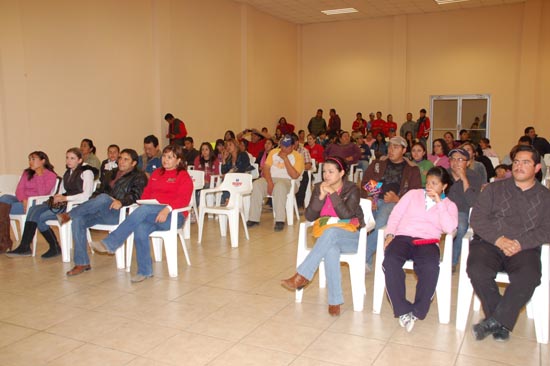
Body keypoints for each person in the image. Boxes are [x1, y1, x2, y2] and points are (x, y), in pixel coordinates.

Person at [467, 145, 550, 342]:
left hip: (523, 247)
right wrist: (499, 239)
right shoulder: (494, 188)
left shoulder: (546, 197)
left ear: (537, 168)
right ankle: (501, 321)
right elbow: (477, 219)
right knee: (477, 269)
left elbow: (547, 229)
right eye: (516, 162)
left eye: (526, 162)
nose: (519, 166)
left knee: (529, 276)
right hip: (489, 243)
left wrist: (521, 243)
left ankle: (495, 321)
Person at [90, 145, 193, 283]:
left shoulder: (183, 176)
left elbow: (183, 199)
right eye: (164, 156)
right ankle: (145, 271)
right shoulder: (156, 174)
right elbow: (146, 194)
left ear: (178, 160)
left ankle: (111, 242)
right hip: (152, 213)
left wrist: (167, 209)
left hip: (173, 215)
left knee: (144, 209)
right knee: (140, 227)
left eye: (170, 157)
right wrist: (143, 203)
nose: (165, 160)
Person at [280, 157, 364, 316]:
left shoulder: (352, 189)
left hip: (351, 236)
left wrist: (332, 194)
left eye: (331, 172)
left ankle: (303, 275)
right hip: (328, 238)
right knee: (330, 249)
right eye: (324, 171)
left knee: (330, 232)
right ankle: (335, 301)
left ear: (342, 173)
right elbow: (310, 216)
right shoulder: (319, 187)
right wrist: (320, 197)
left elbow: (346, 214)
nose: (326, 175)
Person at [383, 167, 458, 331]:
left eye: (434, 183)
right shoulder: (413, 194)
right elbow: (396, 215)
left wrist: (439, 203)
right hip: (403, 237)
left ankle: (417, 311)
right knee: (390, 261)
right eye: (428, 182)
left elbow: (449, 228)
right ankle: (402, 309)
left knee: (430, 267)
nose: (429, 186)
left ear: (444, 186)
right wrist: (389, 235)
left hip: (428, 241)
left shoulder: (449, 205)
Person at [59, 149, 148, 276]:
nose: (121, 161)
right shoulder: (111, 173)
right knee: (79, 219)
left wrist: (121, 202)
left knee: (104, 198)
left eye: (126, 159)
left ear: (134, 163)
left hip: (120, 213)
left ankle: (69, 214)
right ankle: (82, 262)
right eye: (120, 158)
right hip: (102, 210)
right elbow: (99, 191)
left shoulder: (139, 176)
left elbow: (136, 195)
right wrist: (92, 202)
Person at [7, 148, 95, 258]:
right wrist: (57, 197)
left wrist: (65, 198)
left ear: (80, 160)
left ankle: (51, 246)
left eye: (72, 158)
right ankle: (28, 246)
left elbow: (86, 196)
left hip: (76, 207)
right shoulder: (67, 173)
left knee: (40, 217)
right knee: (34, 209)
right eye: (67, 158)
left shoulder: (87, 173)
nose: (68, 161)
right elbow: (61, 191)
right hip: (63, 204)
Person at [361, 136, 422, 268]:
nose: (391, 150)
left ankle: (362, 257)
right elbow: (365, 181)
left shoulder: (412, 169)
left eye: (395, 147)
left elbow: (415, 192)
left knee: (380, 222)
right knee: (361, 221)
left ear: (404, 150)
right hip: (374, 199)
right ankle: (363, 257)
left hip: (395, 203)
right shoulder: (378, 164)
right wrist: (373, 196)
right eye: (389, 146)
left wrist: (397, 199)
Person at [0, 151, 57, 253]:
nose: (30, 162)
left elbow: (43, 193)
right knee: (4, 198)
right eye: (29, 159)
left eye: (33, 159)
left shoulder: (50, 175)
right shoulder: (27, 173)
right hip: (23, 200)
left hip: (37, 203)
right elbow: (19, 190)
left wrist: (39, 175)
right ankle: (5, 241)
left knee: (2, 208)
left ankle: (4, 242)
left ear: (42, 161)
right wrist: (23, 200)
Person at [247, 135, 304, 231]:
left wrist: (285, 159)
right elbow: (266, 169)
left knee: (280, 187)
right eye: (282, 145)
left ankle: (280, 220)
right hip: (271, 178)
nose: (284, 148)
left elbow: (294, 175)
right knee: (256, 185)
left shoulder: (298, 156)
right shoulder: (273, 152)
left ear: (293, 146)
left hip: (288, 181)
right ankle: (253, 218)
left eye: (287, 146)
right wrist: (269, 183)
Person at [446, 148, 482, 270]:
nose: (456, 162)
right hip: (442, 209)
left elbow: (473, 202)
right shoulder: (443, 174)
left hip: (461, 211)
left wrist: (464, 179)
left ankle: (451, 262)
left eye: (460, 159)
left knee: (461, 227)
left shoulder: (474, 177)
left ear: (468, 163)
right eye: (453, 159)